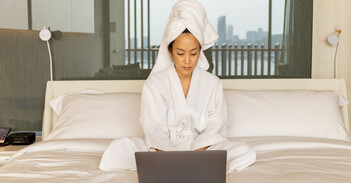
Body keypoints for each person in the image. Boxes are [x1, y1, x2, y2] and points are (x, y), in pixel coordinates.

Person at [99, 0, 256, 173]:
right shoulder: (155, 84)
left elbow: (216, 126)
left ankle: (185, 167)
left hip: (203, 151)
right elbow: (152, 126)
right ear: (170, 50)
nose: (187, 61)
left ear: (200, 50)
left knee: (245, 151)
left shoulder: (212, 83)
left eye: (193, 53)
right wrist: (172, 156)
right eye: (180, 53)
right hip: (164, 150)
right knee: (119, 149)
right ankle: (188, 168)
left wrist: (195, 154)